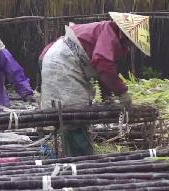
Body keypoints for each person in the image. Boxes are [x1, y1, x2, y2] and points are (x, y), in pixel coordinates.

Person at [39, 11, 150, 157]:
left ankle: (75, 157)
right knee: (74, 115)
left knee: (69, 114)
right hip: (63, 62)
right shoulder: (109, 33)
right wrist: (122, 91)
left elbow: (101, 69)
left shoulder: (105, 31)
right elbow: (102, 63)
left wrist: (107, 95)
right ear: (126, 34)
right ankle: (82, 160)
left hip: (59, 59)